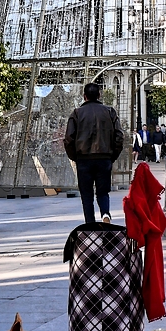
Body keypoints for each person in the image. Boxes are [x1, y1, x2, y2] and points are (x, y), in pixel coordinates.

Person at [64, 83, 124, 225]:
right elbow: (119, 136)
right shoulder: (110, 112)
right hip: (104, 158)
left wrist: (75, 156)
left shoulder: (77, 114)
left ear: (84, 96)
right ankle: (105, 214)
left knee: (86, 195)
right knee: (103, 192)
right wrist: (112, 155)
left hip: (83, 159)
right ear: (99, 95)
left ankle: (90, 224)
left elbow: (68, 139)